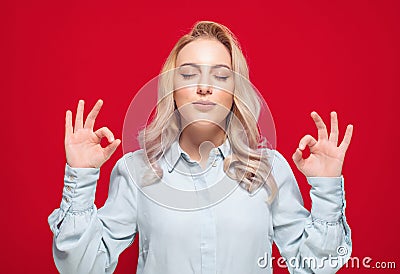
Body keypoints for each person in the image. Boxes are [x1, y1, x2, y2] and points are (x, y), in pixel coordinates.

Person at [48, 21, 354, 274]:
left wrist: (327, 188)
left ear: (235, 91)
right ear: (173, 89)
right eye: (188, 74)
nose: (204, 86)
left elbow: (315, 266)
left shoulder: (268, 170)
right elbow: (82, 268)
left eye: (221, 76)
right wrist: (81, 177)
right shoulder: (138, 171)